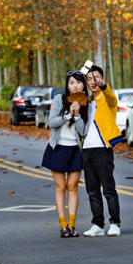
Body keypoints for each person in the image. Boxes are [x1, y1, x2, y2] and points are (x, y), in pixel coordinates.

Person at [79, 65, 123, 237]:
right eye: (89, 79)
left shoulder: (108, 98)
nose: (93, 82)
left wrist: (104, 86)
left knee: (108, 188)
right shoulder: (87, 102)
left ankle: (115, 223)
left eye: (96, 78)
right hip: (87, 149)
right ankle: (97, 224)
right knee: (92, 190)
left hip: (102, 149)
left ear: (102, 79)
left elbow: (111, 96)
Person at [43, 71, 88, 238]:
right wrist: (68, 114)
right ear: (67, 86)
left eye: (78, 82)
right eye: (71, 83)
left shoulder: (86, 103)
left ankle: (72, 225)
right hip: (58, 148)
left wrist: (77, 116)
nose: (75, 85)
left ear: (83, 85)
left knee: (73, 186)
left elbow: (84, 131)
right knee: (61, 187)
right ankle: (63, 226)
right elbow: (52, 122)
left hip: (75, 149)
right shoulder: (59, 100)